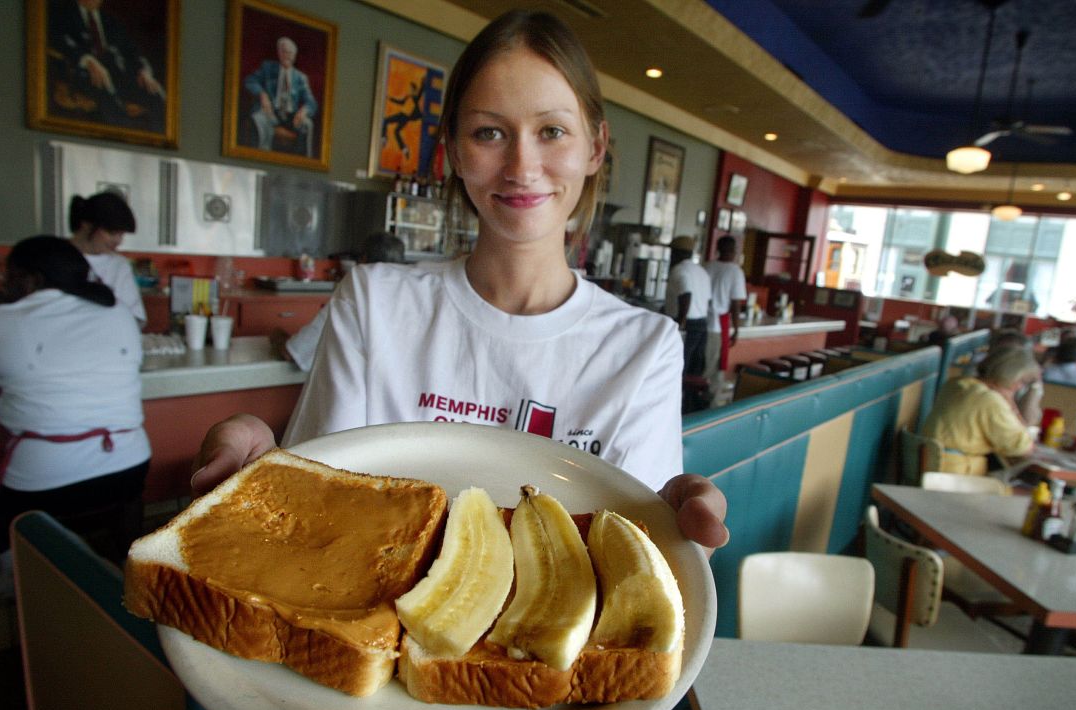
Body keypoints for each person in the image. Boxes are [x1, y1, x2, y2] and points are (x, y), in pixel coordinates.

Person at [192, 10, 728, 550]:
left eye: (551, 131)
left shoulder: (644, 349)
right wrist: (262, 481)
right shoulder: (373, 303)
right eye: (489, 132)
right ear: (453, 150)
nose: (521, 166)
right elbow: (317, 515)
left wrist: (673, 548)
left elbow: (628, 557)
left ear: (594, 146)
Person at [0, 236, 150, 576]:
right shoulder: (117, 311)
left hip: (41, 482)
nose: (5, 284)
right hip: (129, 469)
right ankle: (127, 565)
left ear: (33, 279)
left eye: (9, 276)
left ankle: (8, 574)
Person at [273, 232, 407, 372]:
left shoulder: (352, 297)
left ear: (363, 260)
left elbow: (294, 353)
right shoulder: (408, 305)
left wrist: (276, 336)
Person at [920, 344, 1042, 475]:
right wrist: (1010, 401)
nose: (1019, 387)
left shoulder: (957, 383)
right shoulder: (988, 399)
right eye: (1022, 381)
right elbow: (1022, 447)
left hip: (932, 467)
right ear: (1009, 376)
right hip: (954, 475)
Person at [47, 0, 167, 127]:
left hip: (120, 75)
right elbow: (59, 40)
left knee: (155, 91)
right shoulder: (62, 15)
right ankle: (124, 128)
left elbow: (133, 51)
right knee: (103, 83)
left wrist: (144, 71)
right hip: (84, 73)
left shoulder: (111, 21)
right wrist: (87, 60)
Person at [68, 190, 146, 327]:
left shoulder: (119, 265)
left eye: (121, 235)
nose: (118, 241)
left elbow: (136, 318)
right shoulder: (54, 257)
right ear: (86, 225)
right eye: (112, 233)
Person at [244, 36, 318, 156]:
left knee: (307, 124)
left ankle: (303, 161)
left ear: (294, 56)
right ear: (279, 52)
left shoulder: (300, 78)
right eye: (284, 51)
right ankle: (262, 157)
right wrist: (262, 94)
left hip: (291, 117)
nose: (287, 55)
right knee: (258, 118)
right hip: (270, 112)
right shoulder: (267, 68)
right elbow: (250, 81)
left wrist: (303, 111)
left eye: (290, 53)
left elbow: (311, 103)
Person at [664, 237, 712, 378]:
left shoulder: (678, 270)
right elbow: (706, 301)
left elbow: (686, 294)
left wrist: (681, 322)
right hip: (702, 324)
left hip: (687, 326)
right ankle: (688, 399)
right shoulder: (701, 271)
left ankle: (680, 399)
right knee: (694, 369)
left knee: (678, 367)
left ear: (677, 253)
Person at [703, 234, 747, 372]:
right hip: (716, 325)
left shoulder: (706, 266)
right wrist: (736, 329)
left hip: (700, 321)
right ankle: (708, 393)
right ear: (733, 250)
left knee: (700, 364)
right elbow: (735, 304)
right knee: (712, 367)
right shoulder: (735, 271)